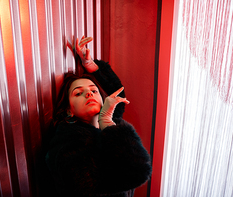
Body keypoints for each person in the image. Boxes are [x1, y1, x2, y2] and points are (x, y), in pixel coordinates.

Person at [44, 37, 152, 197]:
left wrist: (92, 67)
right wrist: (105, 120)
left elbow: (118, 92)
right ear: (69, 111)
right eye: (78, 93)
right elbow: (137, 171)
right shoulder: (65, 145)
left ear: (103, 100)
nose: (88, 93)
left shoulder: (110, 124)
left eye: (94, 91)